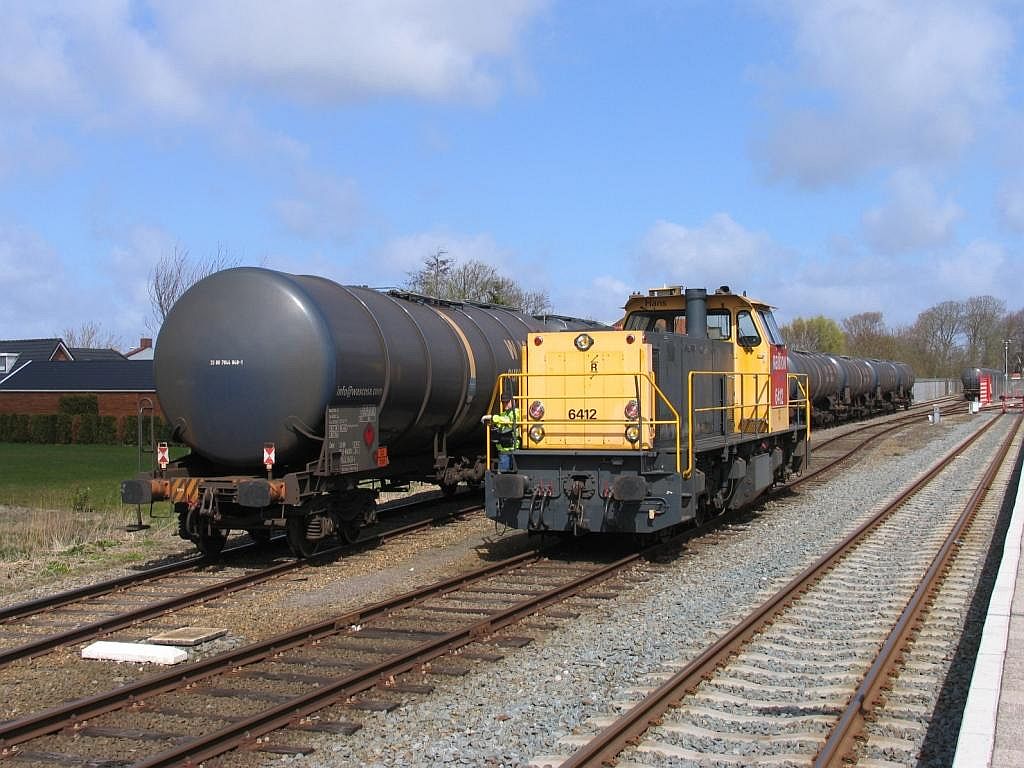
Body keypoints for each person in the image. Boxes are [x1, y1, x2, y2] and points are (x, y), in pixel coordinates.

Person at [481, 394, 520, 471]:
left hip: (512, 448)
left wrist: (492, 417)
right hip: (504, 448)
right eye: (503, 402)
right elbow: (502, 422)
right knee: (503, 472)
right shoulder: (504, 414)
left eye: (507, 402)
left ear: (513, 402)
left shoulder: (516, 413)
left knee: (506, 471)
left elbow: (508, 421)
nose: (505, 404)